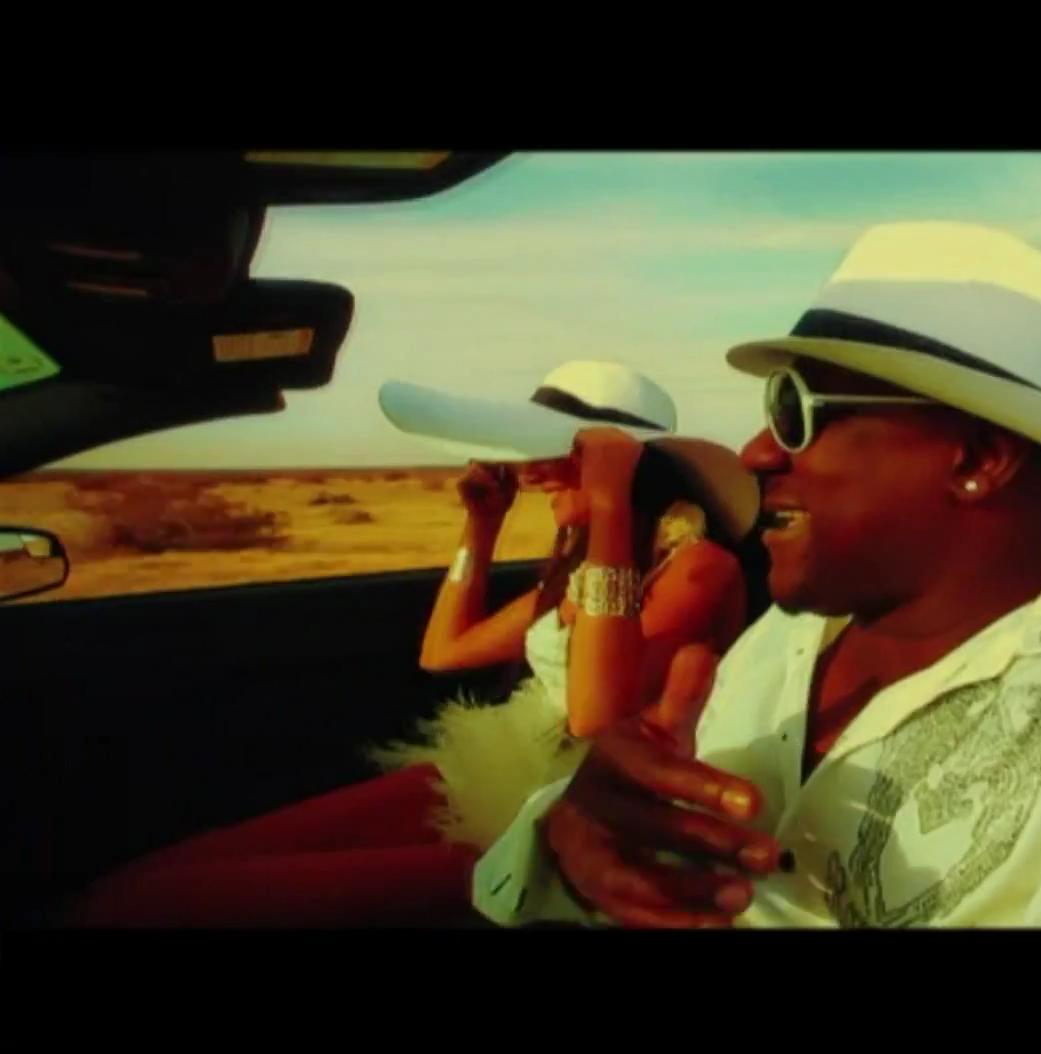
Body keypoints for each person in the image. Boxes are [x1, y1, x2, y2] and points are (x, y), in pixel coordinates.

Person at [473, 221, 1041, 929]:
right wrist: (561, 843)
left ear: (978, 458)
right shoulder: (786, 638)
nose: (757, 453)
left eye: (796, 409)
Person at [66, 361, 759, 927]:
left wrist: (607, 508)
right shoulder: (583, 570)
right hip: (494, 762)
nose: (529, 471)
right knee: (171, 870)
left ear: (624, 464)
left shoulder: (698, 567)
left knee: (170, 906)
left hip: (565, 811)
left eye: (559, 452)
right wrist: (480, 526)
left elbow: (592, 716)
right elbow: (444, 652)